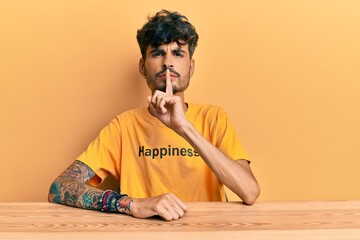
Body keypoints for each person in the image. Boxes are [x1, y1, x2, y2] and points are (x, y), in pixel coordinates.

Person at [48, 9, 260, 221]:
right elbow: (60, 187)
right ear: (142, 66)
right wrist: (131, 204)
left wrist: (183, 127)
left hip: (205, 232)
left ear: (191, 67)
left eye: (178, 53)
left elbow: (249, 192)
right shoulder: (124, 126)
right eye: (158, 53)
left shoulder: (214, 118)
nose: (167, 62)